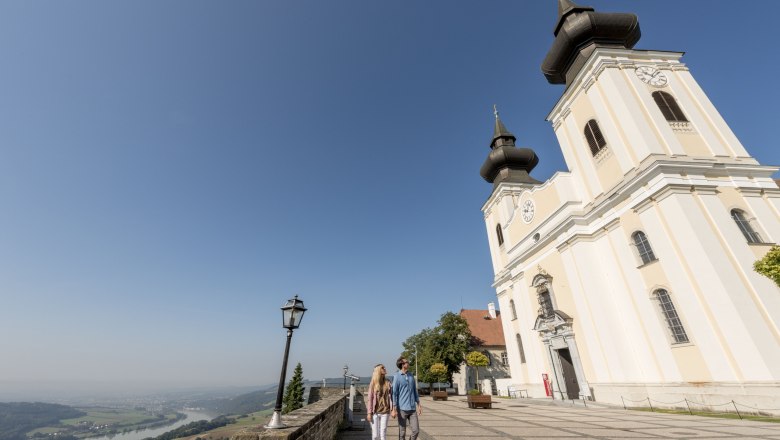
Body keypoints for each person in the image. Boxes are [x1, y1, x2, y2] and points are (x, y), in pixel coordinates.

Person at [391, 356, 422, 440]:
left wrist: (419, 404)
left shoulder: (411, 375)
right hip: (402, 409)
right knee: (402, 432)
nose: (408, 363)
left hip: (412, 408)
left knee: (416, 431)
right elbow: (394, 393)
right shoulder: (397, 376)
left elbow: (415, 391)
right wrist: (393, 408)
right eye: (406, 362)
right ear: (402, 364)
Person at [366, 364, 393, 440]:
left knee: (383, 433)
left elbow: (392, 396)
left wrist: (393, 409)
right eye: (382, 368)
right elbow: (370, 398)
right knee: (375, 435)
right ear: (378, 371)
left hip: (385, 411)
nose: (384, 368)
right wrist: (369, 413)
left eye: (384, 367)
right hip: (375, 412)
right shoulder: (373, 383)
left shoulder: (388, 382)